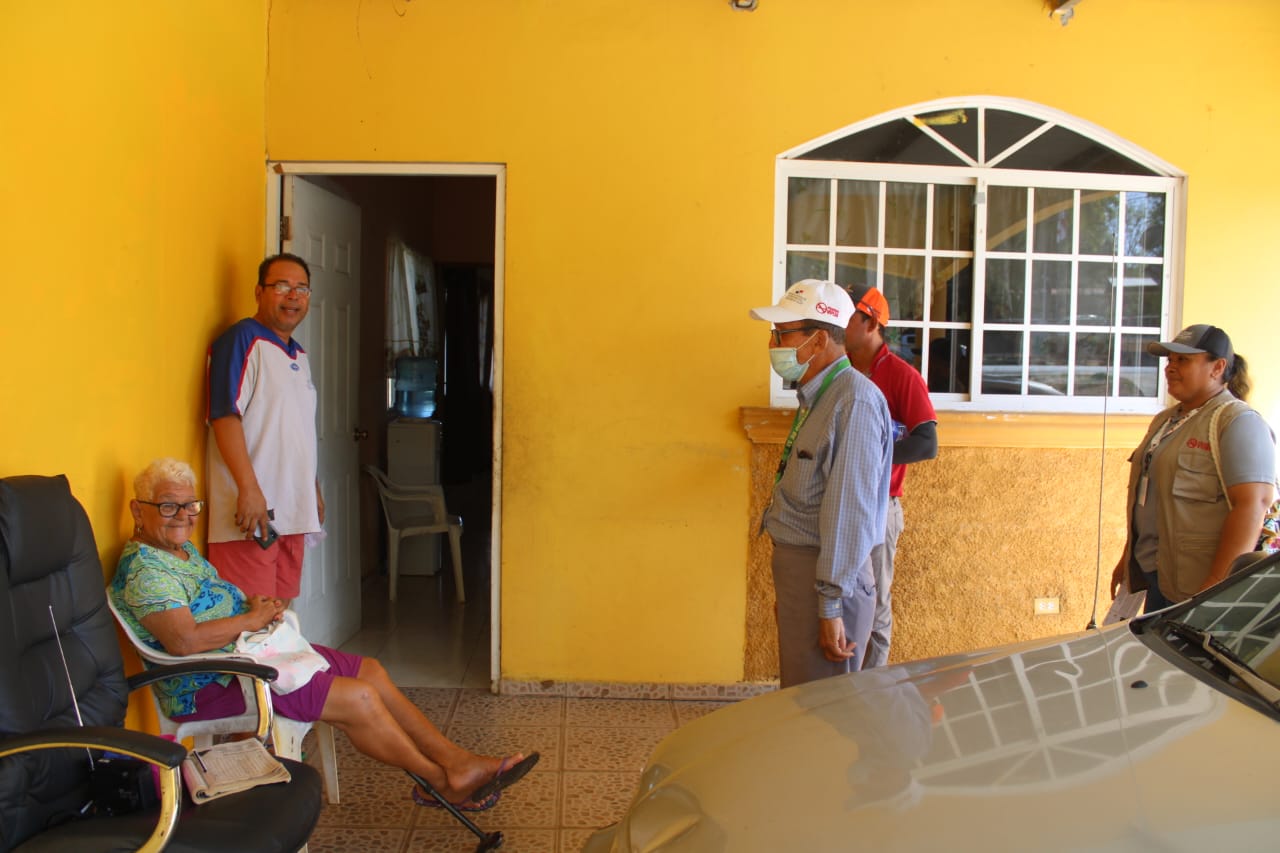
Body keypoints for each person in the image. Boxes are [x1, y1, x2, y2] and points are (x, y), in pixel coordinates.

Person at [111, 458, 538, 810]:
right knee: (360, 698)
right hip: (214, 681)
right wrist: (250, 619)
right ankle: (441, 781)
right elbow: (183, 642)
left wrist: (255, 607)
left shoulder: (178, 551)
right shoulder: (148, 571)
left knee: (369, 671)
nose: (183, 516)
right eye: (168, 506)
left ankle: (457, 761)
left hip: (250, 650)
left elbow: (211, 606)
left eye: (190, 506)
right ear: (137, 510)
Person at [750, 279, 894, 687]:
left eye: (782, 334)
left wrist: (829, 607)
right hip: (809, 577)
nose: (773, 344)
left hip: (829, 584)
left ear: (818, 341)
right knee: (802, 701)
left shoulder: (854, 400)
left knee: (823, 712)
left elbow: (849, 514)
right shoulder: (820, 395)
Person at [1110, 325, 1276, 612]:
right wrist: (1128, 560)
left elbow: (1252, 505)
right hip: (1156, 573)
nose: (1170, 368)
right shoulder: (1165, 420)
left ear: (1217, 368)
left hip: (1198, 586)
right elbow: (1148, 498)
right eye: (1170, 360)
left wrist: (1213, 589)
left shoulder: (1237, 421)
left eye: (1183, 360)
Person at [206, 253, 322, 604]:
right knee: (250, 620)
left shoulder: (298, 355)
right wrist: (249, 489)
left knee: (280, 618)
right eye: (282, 286)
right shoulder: (242, 340)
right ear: (259, 292)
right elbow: (224, 417)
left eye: (302, 288)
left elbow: (296, 430)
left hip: (293, 512)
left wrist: (313, 489)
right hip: (250, 517)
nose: (293, 296)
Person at [842, 286, 938, 668]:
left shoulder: (902, 376)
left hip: (879, 508)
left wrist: (871, 460)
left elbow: (927, 443)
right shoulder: (843, 371)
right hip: (842, 504)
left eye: (847, 317)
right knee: (841, 599)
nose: (839, 325)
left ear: (871, 324)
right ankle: (844, 688)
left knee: (875, 604)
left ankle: (872, 688)